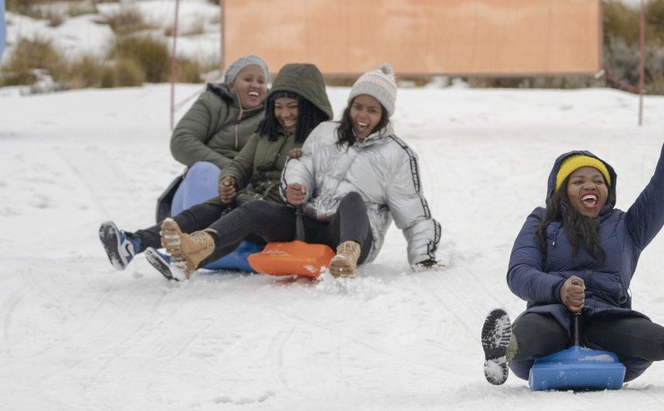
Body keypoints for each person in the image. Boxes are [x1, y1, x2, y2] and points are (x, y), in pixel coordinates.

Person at [480, 79, 664, 387]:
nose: (590, 185)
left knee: (638, 330)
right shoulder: (542, 222)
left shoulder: (628, 226)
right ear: (561, 192)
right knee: (535, 331)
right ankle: (502, 351)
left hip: (609, 320)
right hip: (549, 316)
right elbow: (519, 273)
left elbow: (663, 188)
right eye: (578, 180)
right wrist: (559, 290)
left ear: (606, 191)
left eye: (598, 179)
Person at [99, 63, 333, 280]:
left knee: (250, 210)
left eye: (293, 107)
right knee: (204, 210)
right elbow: (240, 163)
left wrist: (302, 177)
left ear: (310, 106)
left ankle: (189, 257)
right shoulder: (266, 132)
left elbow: (330, 179)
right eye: (278, 107)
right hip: (254, 203)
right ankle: (133, 243)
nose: (285, 114)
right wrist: (230, 178)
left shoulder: (322, 139)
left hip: (289, 215)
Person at [278, 62, 442, 278]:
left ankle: (347, 253)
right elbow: (303, 165)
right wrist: (296, 186)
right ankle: (217, 241)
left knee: (353, 199)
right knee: (255, 211)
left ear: (384, 114)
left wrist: (424, 257)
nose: (362, 116)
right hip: (312, 228)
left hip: (360, 239)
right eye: (358, 107)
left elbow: (412, 213)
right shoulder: (325, 132)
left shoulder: (398, 155)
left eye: (372, 110)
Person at [156, 55, 271, 222]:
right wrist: (232, 168)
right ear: (231, 84)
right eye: (248, 79)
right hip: (197, 192)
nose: (255, 85)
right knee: (203, 171)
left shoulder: (272, 114)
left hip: (245, 193)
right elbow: (182, 140)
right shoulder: (213, 101)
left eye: (261, 81)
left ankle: (236, 246)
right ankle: (194, 242)